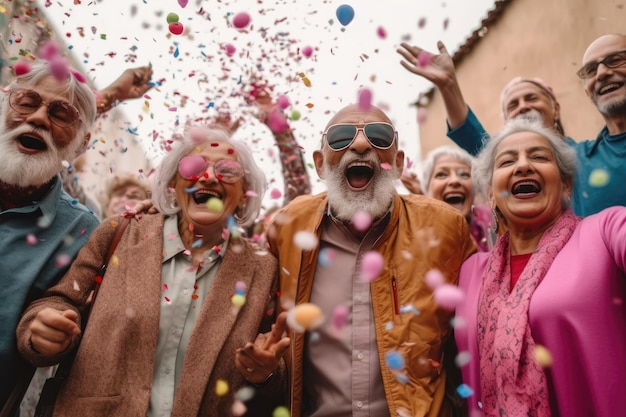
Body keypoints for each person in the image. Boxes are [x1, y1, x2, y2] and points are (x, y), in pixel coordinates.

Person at [16, 125, 290, 416]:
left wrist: (267, 374)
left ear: (244, 195)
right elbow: (59, 302)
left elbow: (273, 369)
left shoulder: (263, 267)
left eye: (228, 170)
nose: (208, 176)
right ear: (173, 182)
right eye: (194, 165)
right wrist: (43, 331)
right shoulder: (119, 233)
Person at [266, 103, 476, 417]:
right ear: (321, 164)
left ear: (399, 163)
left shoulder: (446, 228)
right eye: (341, 138)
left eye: (379, 136)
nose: (362, 145)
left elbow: (475, 333)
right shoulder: (287, 228)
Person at [455, 116, 626, 417]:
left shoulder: (605, 231)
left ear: (566, 184)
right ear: (492, 195)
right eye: (507, 161)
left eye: (539, 156)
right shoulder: (470, 270)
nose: (523, 166)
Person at [397, 34, 626, 217]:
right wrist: (448, 86)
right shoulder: (576, 160)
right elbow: (476, 138)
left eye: (532, 98)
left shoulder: (579, 158)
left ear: (555, 108)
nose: (523, 107)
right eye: (513, 105)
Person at [0, 59, 100, 410]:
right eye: (27, 102)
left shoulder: (83, 230)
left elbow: (59, 307)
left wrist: (45, 336)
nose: (39, 118)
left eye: (61, 114)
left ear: (83, 143)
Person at [420, 145, 494, 251]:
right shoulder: (409, 238)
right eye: (442, 175)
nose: (454, 181)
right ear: (426, 191)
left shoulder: (496, 229)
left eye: (464, 174)